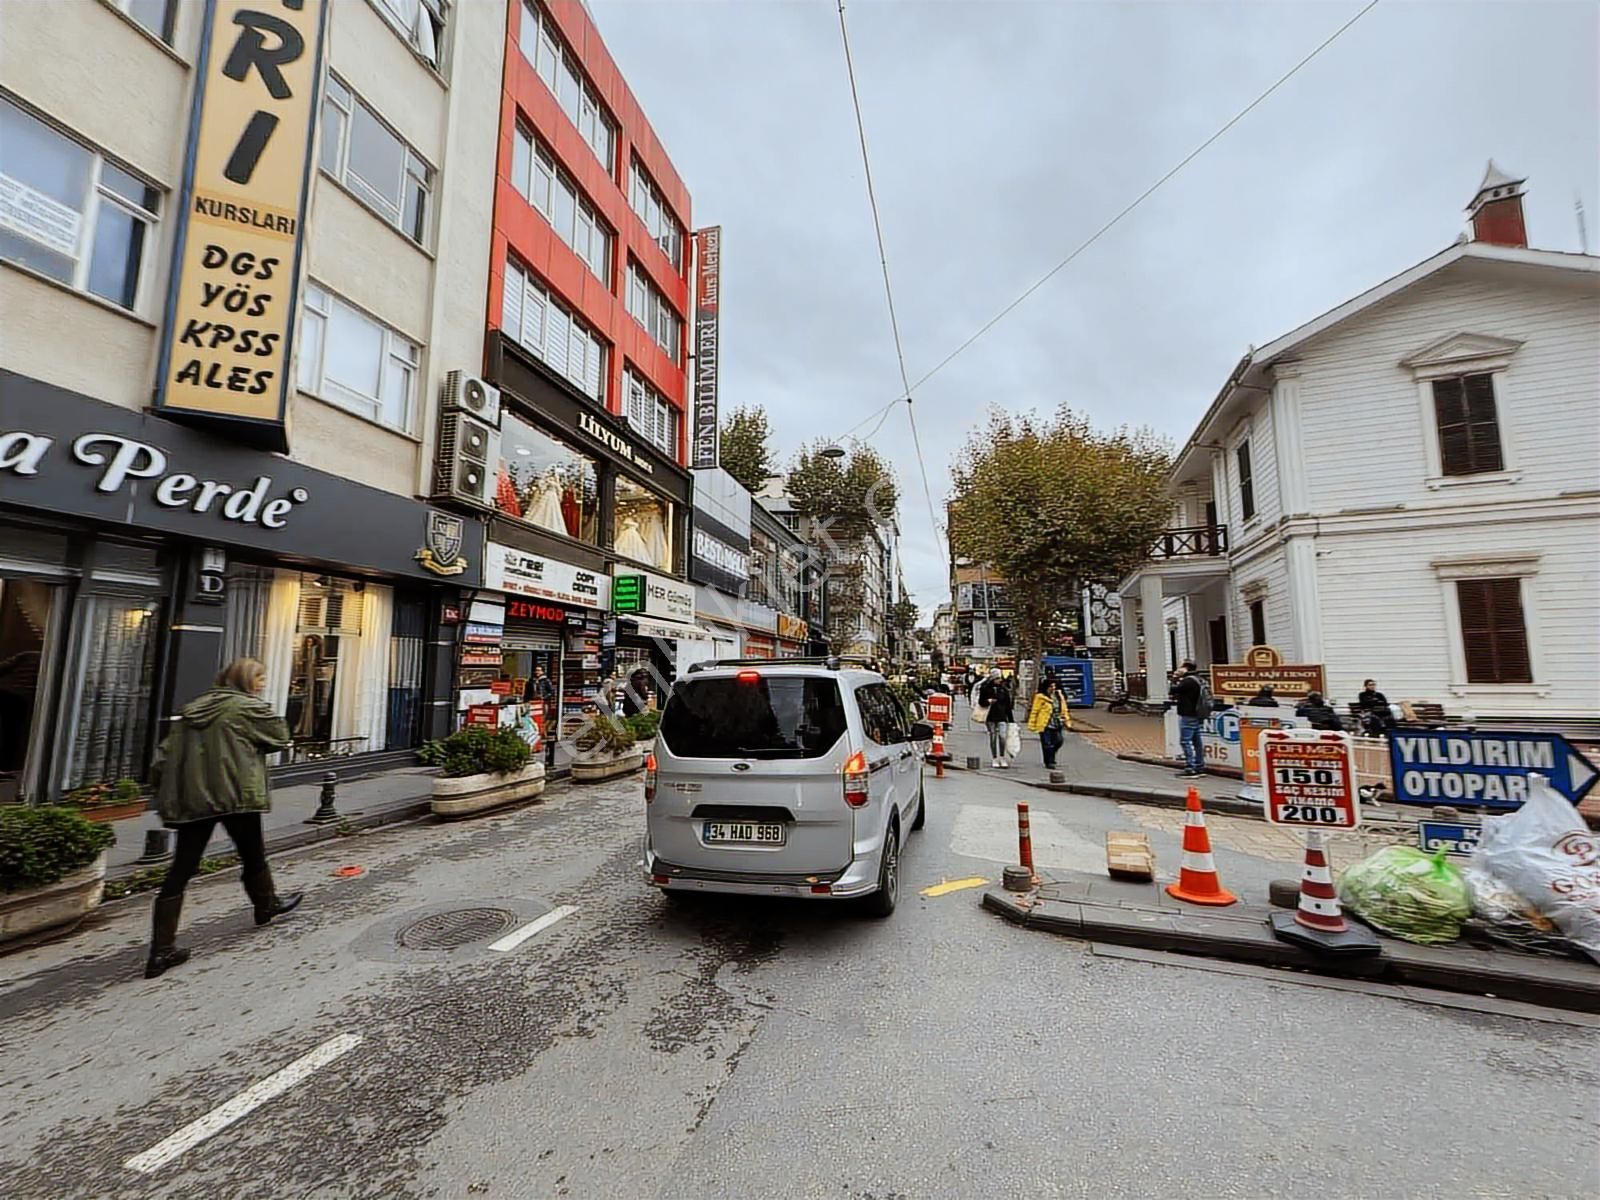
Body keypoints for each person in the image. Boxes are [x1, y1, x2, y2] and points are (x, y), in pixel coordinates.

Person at [143, 658, 300, 980]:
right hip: (234, 794)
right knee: (253, 854)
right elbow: (280, 736)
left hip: (195, 798)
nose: (262, 682)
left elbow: (164, 755)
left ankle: (160, 950)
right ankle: (266, 904)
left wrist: (166, 791)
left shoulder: (193, 709)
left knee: (182, 867)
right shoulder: (247, 708)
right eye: (258, 677)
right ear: (243, 679)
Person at [1169, 660, 1207, 778]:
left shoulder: (1188, 681)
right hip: (1198, 713)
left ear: (1185, 668)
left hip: (1188, 713)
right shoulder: (1200, 679)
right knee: (1197, 741)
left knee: (1185, 741)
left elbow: (1173, 690)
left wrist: (1175, 677)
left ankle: (1190, 767)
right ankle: (1199, 765)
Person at [977, 668, 1015, 769]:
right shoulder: (985, 688)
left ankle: (1002, 757)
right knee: (993, 737)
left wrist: (1011, 720)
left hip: (1002, 716)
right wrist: (988, 701)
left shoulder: (1003, 689)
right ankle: (994, 757)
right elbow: (981, 702)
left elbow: (1008, 705)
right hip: (990, 715)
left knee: (1002, 736)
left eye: (1000, 678)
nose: (999, 680)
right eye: (997, 678)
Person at [1029, 680, 1070, 771]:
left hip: (1057, 722)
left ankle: (1051, 755)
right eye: (1051, 687)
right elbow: (1035, 711)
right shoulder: (1040, 697)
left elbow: (1064, 709)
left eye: (1054, 686)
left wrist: (1067, 721)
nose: (1053, 689)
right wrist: (1032, 724)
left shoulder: (1059, 696)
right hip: (1045, 723)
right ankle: (1049, 761)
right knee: (1047, 744)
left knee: (1059, 741)